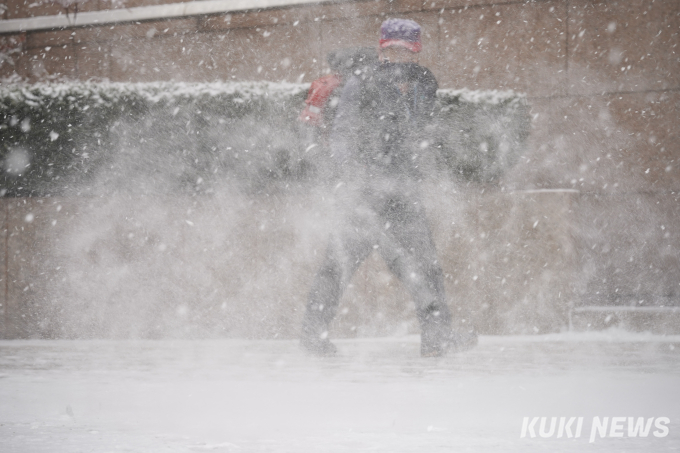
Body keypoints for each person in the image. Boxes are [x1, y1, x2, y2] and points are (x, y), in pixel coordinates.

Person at [300, 18, 477, 357]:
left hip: (403, 190)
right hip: (362, 190)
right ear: (382, 48)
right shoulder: (361, 81)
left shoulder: (422, 83)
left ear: (417, 50)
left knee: (425, 265)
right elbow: (344, 133)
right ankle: (312, 337)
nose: (401, 56)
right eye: (393, 48)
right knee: (338, 262)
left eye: (407, 50)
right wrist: (345, 178)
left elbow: (420, 133)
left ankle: (437, 337)